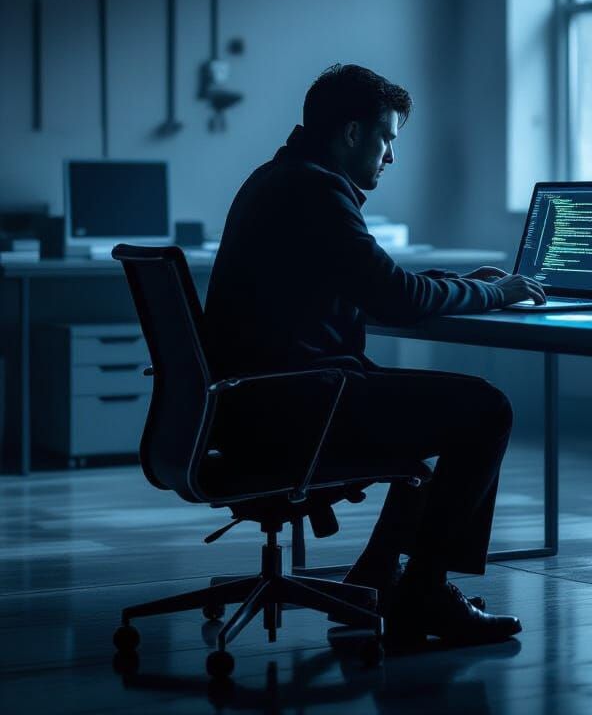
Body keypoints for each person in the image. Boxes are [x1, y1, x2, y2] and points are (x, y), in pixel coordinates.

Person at [204, 63, 545, 646]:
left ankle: (379, 572)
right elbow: (395, 296)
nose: (391, 156)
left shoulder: (281, 178)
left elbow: (369, 284)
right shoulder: (315, 188)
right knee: (484, 410)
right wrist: (494, 292)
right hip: (296, 407)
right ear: (353, 133)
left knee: (435, 413)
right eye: (387, 138)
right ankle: (425, 593)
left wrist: (462, 281)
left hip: (259, 403)